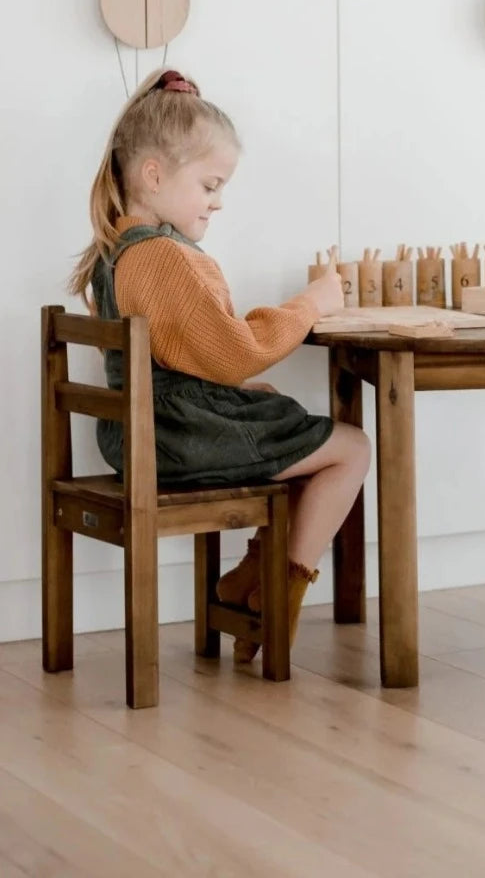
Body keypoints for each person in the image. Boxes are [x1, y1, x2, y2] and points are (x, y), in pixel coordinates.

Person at [69, 69, 370, 664]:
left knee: (286, 420)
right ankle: (274, 600)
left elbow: (186, 356)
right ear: (154, 175)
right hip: (174, 437)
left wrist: (236, 382)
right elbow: (234, 350)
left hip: (146, 429)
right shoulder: (160, 256)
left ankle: (248, 580)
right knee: (351, 449)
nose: (218, 200)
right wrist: (312, 304)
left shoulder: (120, 250)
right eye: (209, 184)